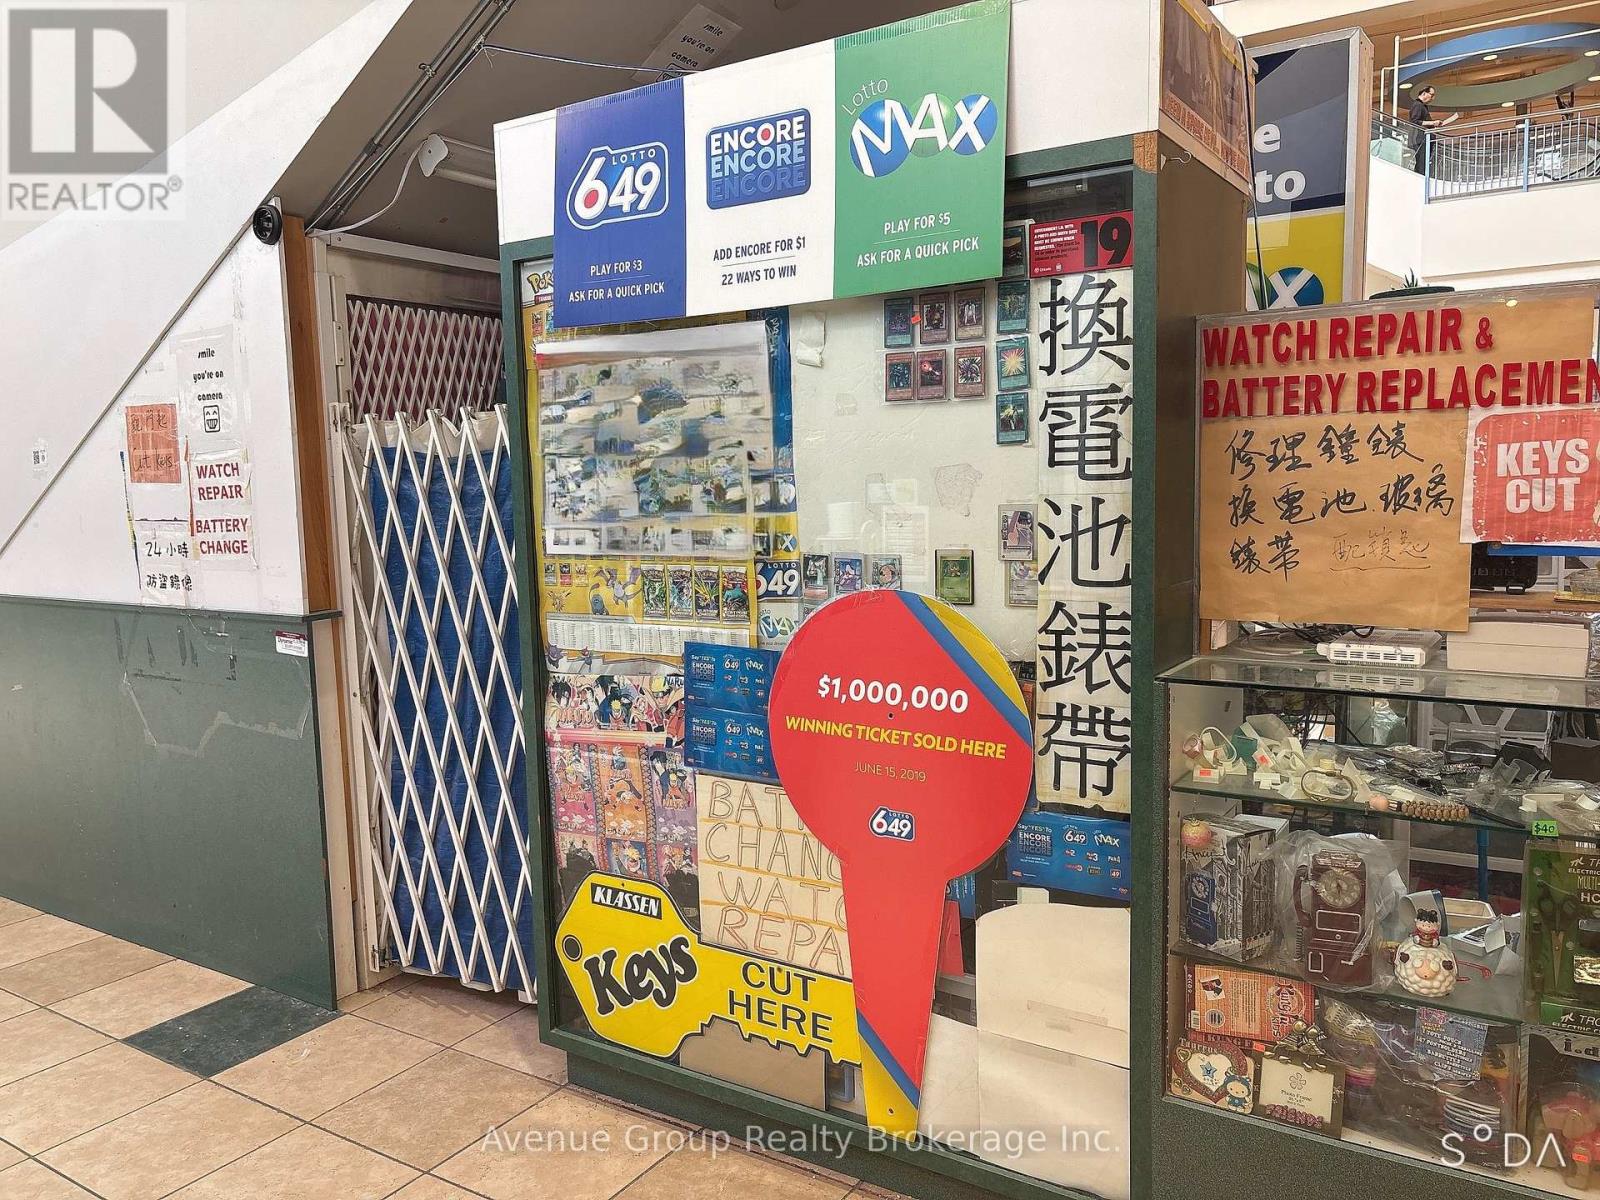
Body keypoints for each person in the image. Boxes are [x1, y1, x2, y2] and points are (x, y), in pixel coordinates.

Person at [1407, 86, 1458, 171]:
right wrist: (1432, 123)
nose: (1432, 98)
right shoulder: (1418, 105)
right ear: (1424, 93)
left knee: (1423, 163)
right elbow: (1414, 121)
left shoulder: (1422, 106)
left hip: (1422, 139)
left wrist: (1434, 124)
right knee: (1422, 164)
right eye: (1431, 95)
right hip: (1420, 139)